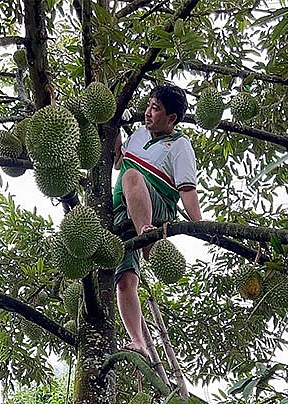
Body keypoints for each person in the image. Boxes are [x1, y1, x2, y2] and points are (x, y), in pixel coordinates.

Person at [112, 84, 202, 357]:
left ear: (172, 118)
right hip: (121, 213)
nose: (148, 113)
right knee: (125, 280)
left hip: (158, 207)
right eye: (149, 106)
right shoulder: (138, 135)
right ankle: (138, 340)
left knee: (131, 176)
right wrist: (112, 123)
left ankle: (148, 240)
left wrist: (200, 227)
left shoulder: (180, 145)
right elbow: (117, 159)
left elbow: (187, 189)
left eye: (156, 109)